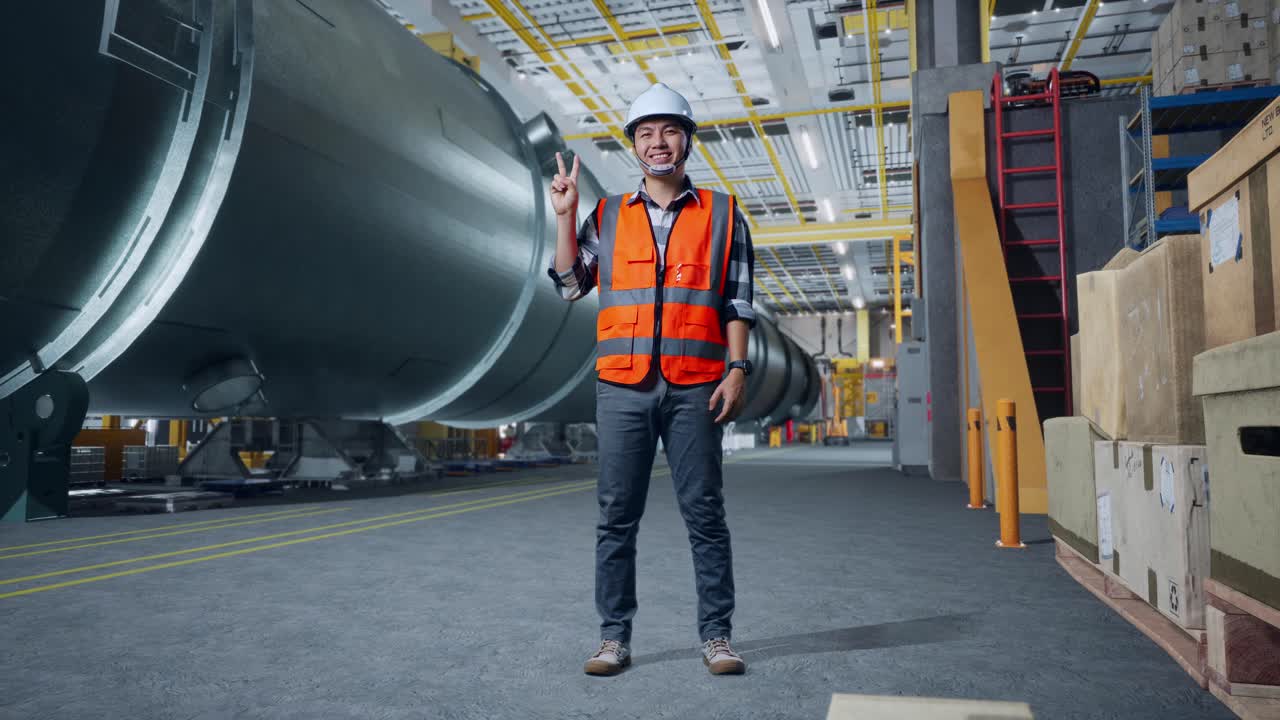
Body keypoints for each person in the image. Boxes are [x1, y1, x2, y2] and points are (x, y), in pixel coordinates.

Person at [547, 82, 756, 677]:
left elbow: (738, 302)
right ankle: (613, 637)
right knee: (616, 516)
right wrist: (565, 218)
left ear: (687, 140)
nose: (657, 143)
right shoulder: (607, 214)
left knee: (705, 513)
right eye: (645, 134)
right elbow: (568, 284)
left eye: (668, 131)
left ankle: (717, 636)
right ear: (634, 147)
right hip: (623, 385)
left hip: (695, 384)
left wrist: (736, 370)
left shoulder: (723, 213)